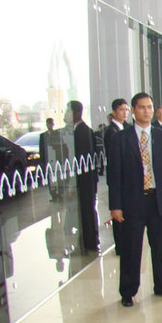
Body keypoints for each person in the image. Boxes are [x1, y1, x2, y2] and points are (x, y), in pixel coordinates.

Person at [108, 92, 162, 307]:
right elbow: (114, 175)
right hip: (132, 203)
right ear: (133, 110)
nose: (147, 111)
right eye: (141, 107)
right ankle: (128, 291)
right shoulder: (121, 139)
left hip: (158, 200)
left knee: (159, 247)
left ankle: (161, 285)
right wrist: (115, 206)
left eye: (150, 107)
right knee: (132, 249)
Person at [67, 101, 99, 252]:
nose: (65, 115)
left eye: (68, 111)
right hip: (82, 181)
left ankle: (90, 241)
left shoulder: (83, 131)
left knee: (87, 211)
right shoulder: (75, 130)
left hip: (85, 181)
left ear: (76, 113)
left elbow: (84, 160)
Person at [104, 99, 129, 255]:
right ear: (114, 112)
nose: (125, 113)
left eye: (126, 110)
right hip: (118, 178)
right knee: (118, 212)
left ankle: (125, 243)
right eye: (121, 110)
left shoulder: (125, 128)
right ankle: (120, 246)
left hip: (127, 179)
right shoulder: (111, 132)